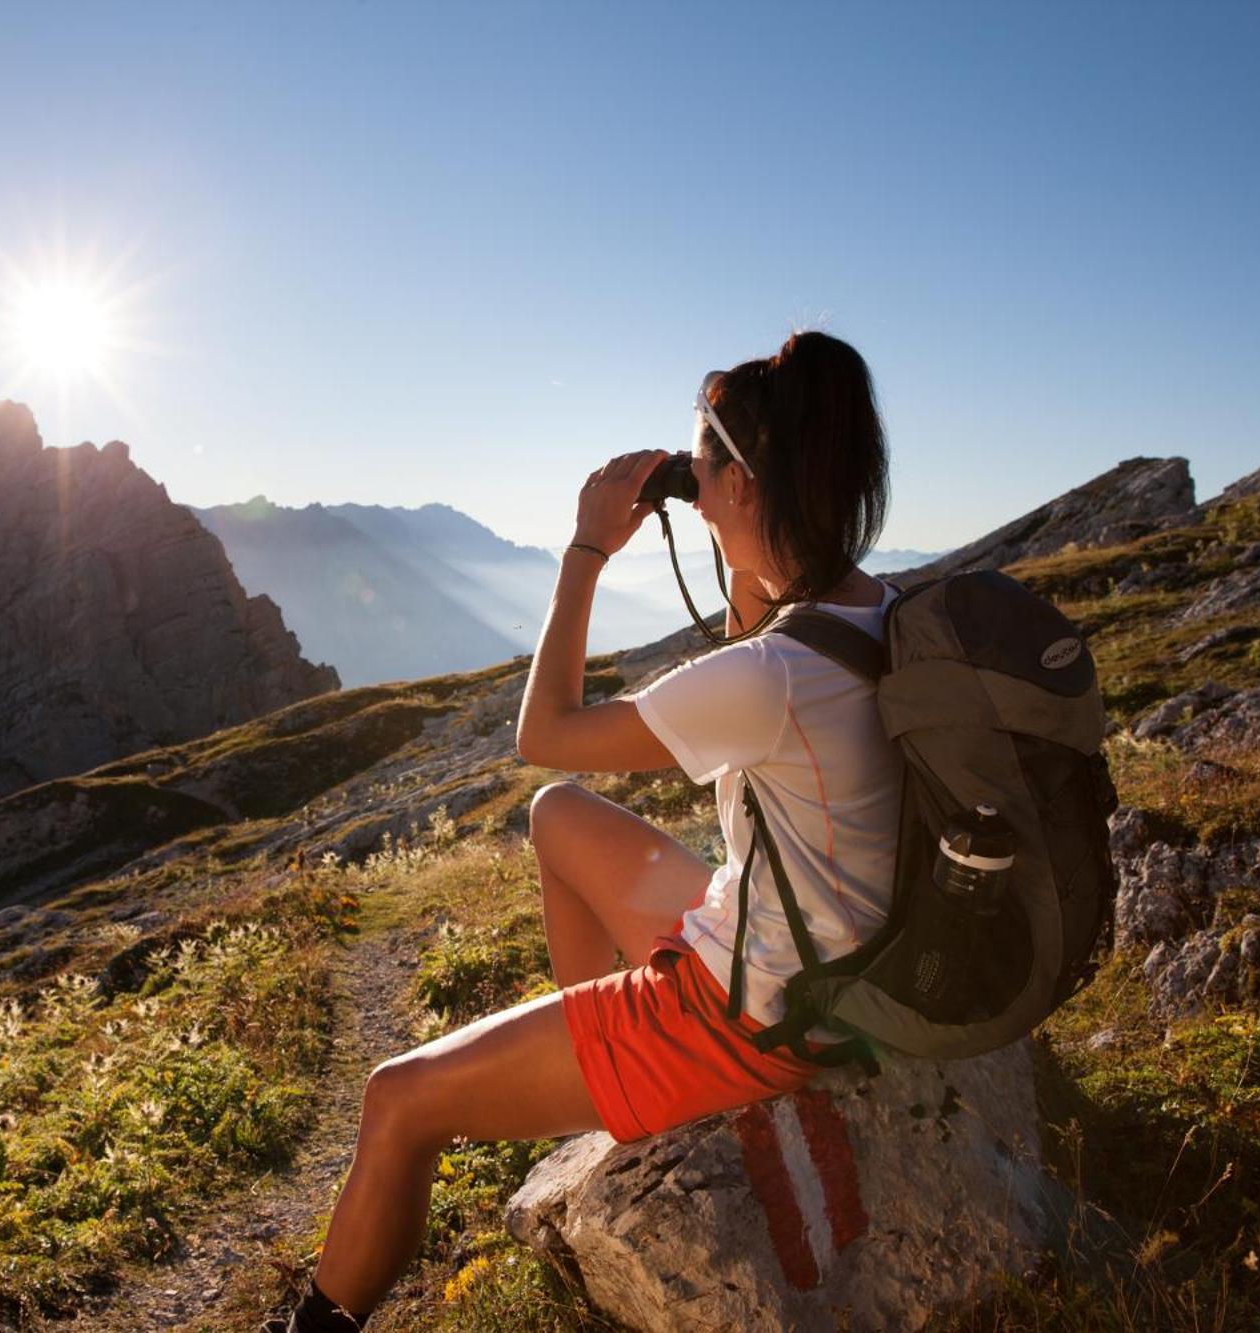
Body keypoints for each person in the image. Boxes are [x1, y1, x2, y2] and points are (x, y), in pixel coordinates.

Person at [264, 330, 901, 1332]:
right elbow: (764, 677)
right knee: (557, 817)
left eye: (706, 468)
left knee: (396, 1101)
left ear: (743, 486)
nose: (696, 482)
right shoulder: (871, 611)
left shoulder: (772, 676)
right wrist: (735, 526)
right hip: (827, 965)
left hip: (748, 1017)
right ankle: (593, 1071)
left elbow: (543, 731)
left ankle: (314, 1325)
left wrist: (587, 550)